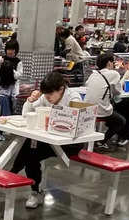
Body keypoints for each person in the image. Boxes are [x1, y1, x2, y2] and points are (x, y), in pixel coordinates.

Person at [11, 71, 83, 209]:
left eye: (50, 94)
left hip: (71, 143)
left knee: (31, 152)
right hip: (49, 140)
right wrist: (30, 101)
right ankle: (33, 189)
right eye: (46, 94)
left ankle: (14, 174)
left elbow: (75, 122)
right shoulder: (46, 97)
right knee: (30, 147)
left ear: (61, 89)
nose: (48, 98)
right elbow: (27, 115)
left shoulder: (74, 98)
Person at [83, 52, 124, 151]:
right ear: (109, 63)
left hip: (86, 109)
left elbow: (87, 85)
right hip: (101, 110)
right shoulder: (114, 74)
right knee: (120, 121)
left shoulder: (93, 74)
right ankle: (102, 141)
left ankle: (98, 140)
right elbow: (118, 92)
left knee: (112, 115)